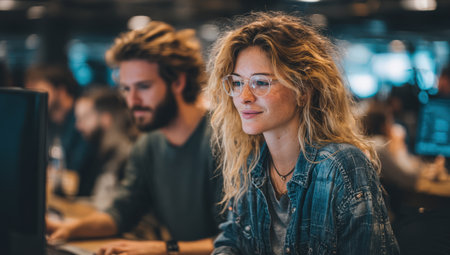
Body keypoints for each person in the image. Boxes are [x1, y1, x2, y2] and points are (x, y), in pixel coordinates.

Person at [206, 12, 399, 254]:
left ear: (303, 90)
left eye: (261, 82)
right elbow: (231, 241)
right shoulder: (252, 165)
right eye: (237, 83)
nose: (244, 97)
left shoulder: (341, 167)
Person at [47, 21, 221, 255]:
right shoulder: (148, 145)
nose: (132, 101)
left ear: (178, 82)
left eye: (143, 86)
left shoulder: (223, 142)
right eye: (126, 89)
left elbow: (238, 241)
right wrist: (68, 228)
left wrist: (165, 249)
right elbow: (121, 213)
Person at [362, 102, 450, 255]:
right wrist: (399, 144)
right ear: (383, 124)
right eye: (390, 121)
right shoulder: (378, 146)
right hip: (396, 225)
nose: (393, 125)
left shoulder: (376, 144)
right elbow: (410, 179)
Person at [25, 65, 91, 193]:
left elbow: (77, 171)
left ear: (61, 91)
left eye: (40, 90)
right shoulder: (44, 122)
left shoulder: (82, 121)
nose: (35, 97)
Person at [74, 87, 139, 209]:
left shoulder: (126, 154)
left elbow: (107, 207)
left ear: (106, 118)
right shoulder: (103, 152)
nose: (78, 126)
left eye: (84, 118)